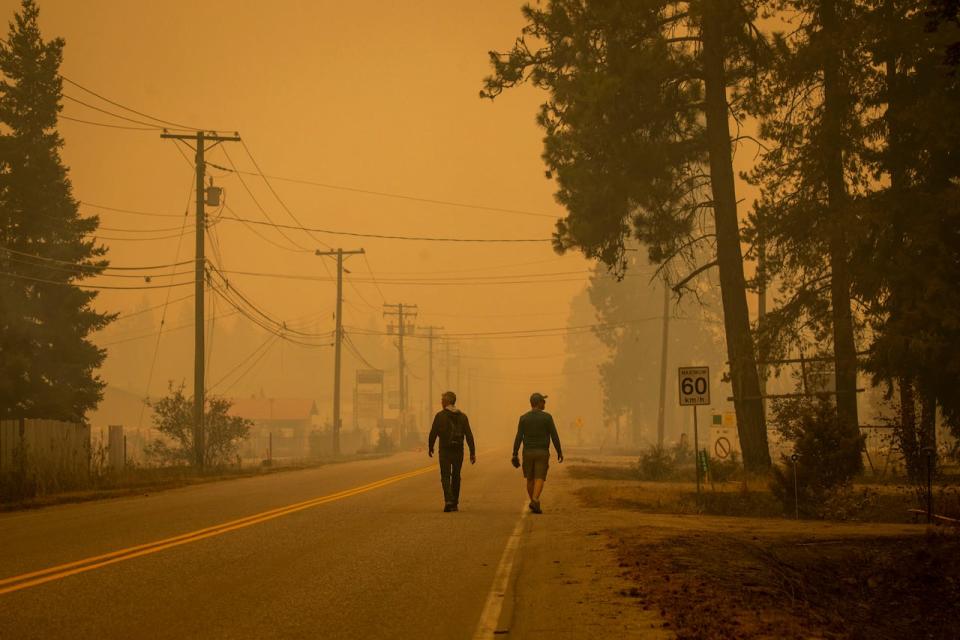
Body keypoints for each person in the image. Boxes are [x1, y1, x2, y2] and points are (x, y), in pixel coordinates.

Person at [512, 392, 563, 514]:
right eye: (543, 401)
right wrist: (559, 451)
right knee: (539, 477)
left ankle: (534, 503)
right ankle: (535, 499)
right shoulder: (547, 418)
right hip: (542, 452)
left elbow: (518, 437)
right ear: (539, 403)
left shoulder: (523, 418)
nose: (545, 403)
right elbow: (554, 436)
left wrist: (515, 453)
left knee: (530, 479)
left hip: (528, 452)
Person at [428, 391, 476, 512]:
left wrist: (430, 446)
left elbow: (433, 432)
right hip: (458, 450)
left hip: (444, 450)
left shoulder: (440, 416)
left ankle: (448, 500)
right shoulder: (463, 417)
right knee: (456, 475)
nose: (441, 402)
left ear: (447, 402)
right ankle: (454, 502)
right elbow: (469, 435)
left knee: (445, 475)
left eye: (442, 400)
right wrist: (472, 452)